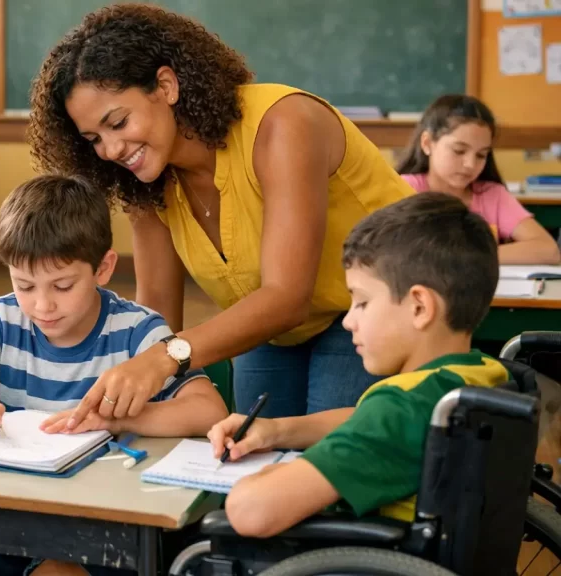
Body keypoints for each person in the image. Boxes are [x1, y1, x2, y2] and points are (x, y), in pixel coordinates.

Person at [27, 4, 415, 424]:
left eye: (118, 122)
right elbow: (157, 308)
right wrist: (126, 393)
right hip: (269, 323)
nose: (112, 150)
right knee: (251, 453)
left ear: (166, 85)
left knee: (325, 468)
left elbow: (287, 297)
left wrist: (165, 358)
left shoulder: (283, 124)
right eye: (94, 138)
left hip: (374, 306)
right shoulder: (143, 176)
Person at [0, 174, 227, 576]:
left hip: (93, 528)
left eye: (63, 285)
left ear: (103, 268)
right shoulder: (4, 318)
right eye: (24, 284)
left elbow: (210, 410)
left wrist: (120, 420)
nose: (42, 305)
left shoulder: (138, 331)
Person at [211, 192, 508, 537]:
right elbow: (367, 419)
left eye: (362, 302)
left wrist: (263, 478)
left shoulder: (399, 410)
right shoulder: (477, 375)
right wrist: (278, 430)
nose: (349, 321)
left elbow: (251, 511)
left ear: (419, 307)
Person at [398, 94, 560, 265]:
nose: (470, 164)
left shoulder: (492, 195)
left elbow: (549, 250)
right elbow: (386, 251)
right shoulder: (405, 188)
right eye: (459, 151)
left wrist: (467, 257)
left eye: (481, 155)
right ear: (427, 143)